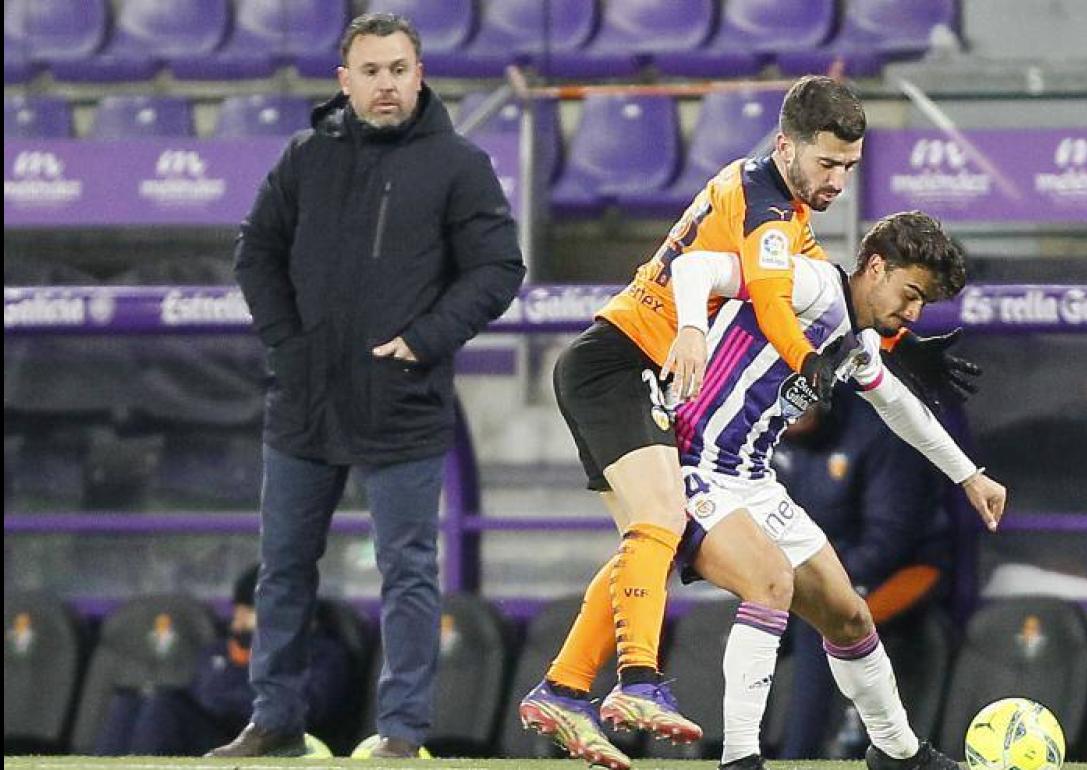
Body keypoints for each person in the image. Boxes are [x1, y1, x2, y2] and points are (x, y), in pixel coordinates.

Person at [527, 211, 1006, 770]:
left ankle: (898, 753)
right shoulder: (810, 284)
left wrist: (968, 474)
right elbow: (699, 267)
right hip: (692, 466)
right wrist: (688, 329)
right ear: (875, 267)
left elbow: (900, 406)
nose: (913, 312)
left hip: (752, 478)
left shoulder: (857, 342)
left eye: (924, 304)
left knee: (849, 615)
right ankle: (741, 759)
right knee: (770, 584)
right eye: (911, 293)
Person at [518, 75, 868, 770]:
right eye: (827, 162)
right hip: (616, 364)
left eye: (849, 168)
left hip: (617, 368)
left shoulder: (780, 207)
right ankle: (638, 681)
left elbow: (819, 292)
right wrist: (807, 363)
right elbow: (772, 303)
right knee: (662, 519)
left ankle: (562, 688)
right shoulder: (767, 208)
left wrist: (888, 345)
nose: (838, 180)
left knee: (650, 541)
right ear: (786, 147)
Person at [209, 12, 524, 759]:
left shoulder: (458, 163)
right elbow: (255, 253)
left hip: (402, 400)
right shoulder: (304, 157)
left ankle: (403, 734)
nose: (386, 85)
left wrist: (425, 339)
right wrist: (290, 344)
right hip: (305, 400)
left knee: (408, 574)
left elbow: (497, 269)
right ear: (344, 81)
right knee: (282, 569)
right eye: (371, 72)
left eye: (398, 70)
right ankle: (275, 722)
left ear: (419, 74)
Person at [772, 386, 956, 759]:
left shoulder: (873, 431)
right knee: (751, 618)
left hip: (902, 572)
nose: (792, 413)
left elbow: (891, 538)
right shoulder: (762, 436)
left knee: (822, 619)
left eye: (799, 402)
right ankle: (740, 749)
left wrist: (812, 581)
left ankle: (800, 756)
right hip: (806, 570)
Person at [94, 565, 351, 756]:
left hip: (277, 746)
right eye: (236, 613)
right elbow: (204, 690)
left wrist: (233, 694)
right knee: (133, 701)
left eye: (247, 614)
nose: (236, 623)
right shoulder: (220, 650)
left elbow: (309, 708)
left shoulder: (323, 654)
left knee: (164, 711)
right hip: (222, 737)